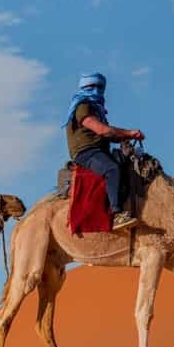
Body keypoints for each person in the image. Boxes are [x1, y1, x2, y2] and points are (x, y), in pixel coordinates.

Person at [63, 72, 144, 230]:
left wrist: (125, 138)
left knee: (126, 164)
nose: (97, 90)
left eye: (100, 87)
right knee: (112, 169)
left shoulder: (97, 109)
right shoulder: (83, 106)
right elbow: (103, 130)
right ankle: (116, 215)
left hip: (99, 149)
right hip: (85, 152)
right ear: (84, 87)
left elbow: (109, 135)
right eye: (93, 86)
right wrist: (129, 133)